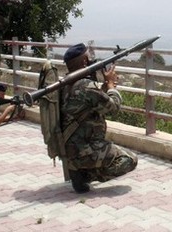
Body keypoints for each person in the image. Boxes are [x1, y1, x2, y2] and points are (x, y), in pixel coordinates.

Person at [53, 43, 138, 193]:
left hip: (69, 149)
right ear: (84, 62)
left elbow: (91, 101)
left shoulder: (65, 84)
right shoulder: (86, 86)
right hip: (85, 150)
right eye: (89, 57)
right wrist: (111, 85)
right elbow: (113, 107)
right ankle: (86, 175)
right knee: (130, 160)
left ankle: (78, 172)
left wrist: (104, 87)